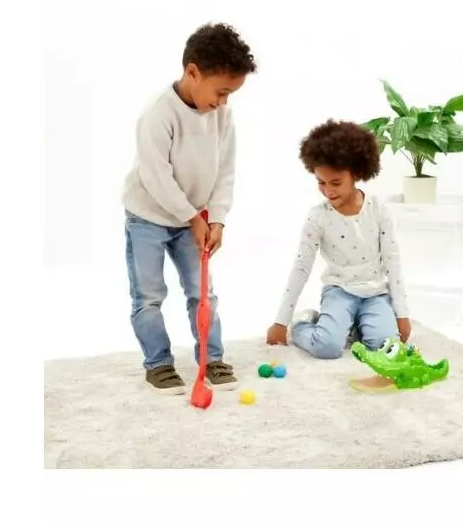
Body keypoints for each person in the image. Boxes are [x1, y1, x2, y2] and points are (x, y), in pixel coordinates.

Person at [123, 22, 257, 394]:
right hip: (147, 217)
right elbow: (156, 177)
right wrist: (191, 218)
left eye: (230, 94)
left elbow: (225, 170)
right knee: (149, 296)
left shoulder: (222, 116)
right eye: (221, 92)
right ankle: (159, 364)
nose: (223, 102)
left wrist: (217, 220)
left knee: (202, 294)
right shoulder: (158, 114)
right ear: (193, 72)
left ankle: (212, 358)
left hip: (193, 218)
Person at [266, 119, 412, 358]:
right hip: (339, 292)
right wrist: (281, 321)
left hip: (376, 294)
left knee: (387, 348)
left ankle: (356, 326)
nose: (328, 190)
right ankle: (303, 323)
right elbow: (301, 268)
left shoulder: (378, 210)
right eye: (321, 182)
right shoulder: (318, 217)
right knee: (327, 347)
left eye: (335, 183)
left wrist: (402, 314)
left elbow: (392, 261)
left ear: (357, 174)